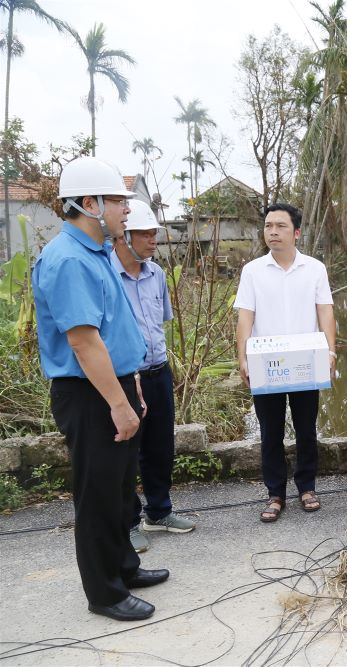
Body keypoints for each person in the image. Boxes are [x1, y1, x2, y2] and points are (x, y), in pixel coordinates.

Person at [32, 156, 168, 622]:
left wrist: (131, 388)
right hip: (90, 394)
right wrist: (118, 403)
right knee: (97, 494)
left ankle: (124, 568)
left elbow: (112, 332)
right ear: (88, 204)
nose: (126, 211)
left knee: (119, 489)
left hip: (114, 386)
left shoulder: (97, 252)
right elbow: (84, 341)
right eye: (117, 201)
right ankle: (105, 593)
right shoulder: (69, 259)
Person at [234, 202, 336, 522]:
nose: (273, 231)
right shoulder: (252, 271)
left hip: (305, 363)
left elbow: (326, 312)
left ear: (296, 232)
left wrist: (330, 353)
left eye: (280, 226)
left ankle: (307, 487)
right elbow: (245, 318)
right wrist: (243, 359)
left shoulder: (315, 269)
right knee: (271, 432)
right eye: (268, 226)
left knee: (307, 429)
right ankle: (275, 493)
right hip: (268, 366)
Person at [110, 200, 195, 553]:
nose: (152, 241)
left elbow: (159, 321)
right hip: (126, 378)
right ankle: (128, 521)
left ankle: (159, 512)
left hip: (158, 372)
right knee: (126, 452)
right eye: (144, 234)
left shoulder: (156, 274)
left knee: (161, 447)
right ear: (123, 237)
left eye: (153, 234)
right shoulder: (106, 275)